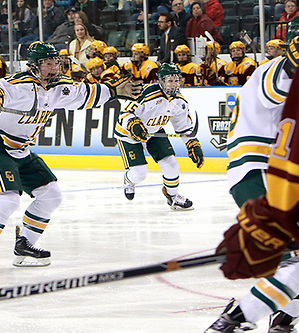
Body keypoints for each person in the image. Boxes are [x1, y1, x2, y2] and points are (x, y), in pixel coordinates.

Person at [0, 41, 141, 273]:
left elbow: (86, 94)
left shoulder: (60, 87)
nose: (55, 67)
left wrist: (114, 91)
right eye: (48, 63)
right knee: (8, 199)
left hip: (22, 149)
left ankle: (24, 245)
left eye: (56, 62)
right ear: (34, 66)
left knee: (51, 195)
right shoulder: (19, 84)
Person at [205, 36, 299, 333]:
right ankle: (236, 318)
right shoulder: (272, 70)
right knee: (293, 261)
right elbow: (280, 80)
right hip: (257, 171)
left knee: (294, 263)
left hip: (274, 176)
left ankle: (281, 317)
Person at [113, 63, 203, 209]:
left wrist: (192, 143)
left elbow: (183, 127)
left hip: (154, 132)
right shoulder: (146, 94)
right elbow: (125, 114)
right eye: (169, 80)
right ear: (161, 81)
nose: (173, 84)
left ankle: (173, 197)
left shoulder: (179, 102)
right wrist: (134, 124)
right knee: (140, 173)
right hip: (129, 134)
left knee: (172, 165)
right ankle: (129, 181)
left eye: (176, 80)